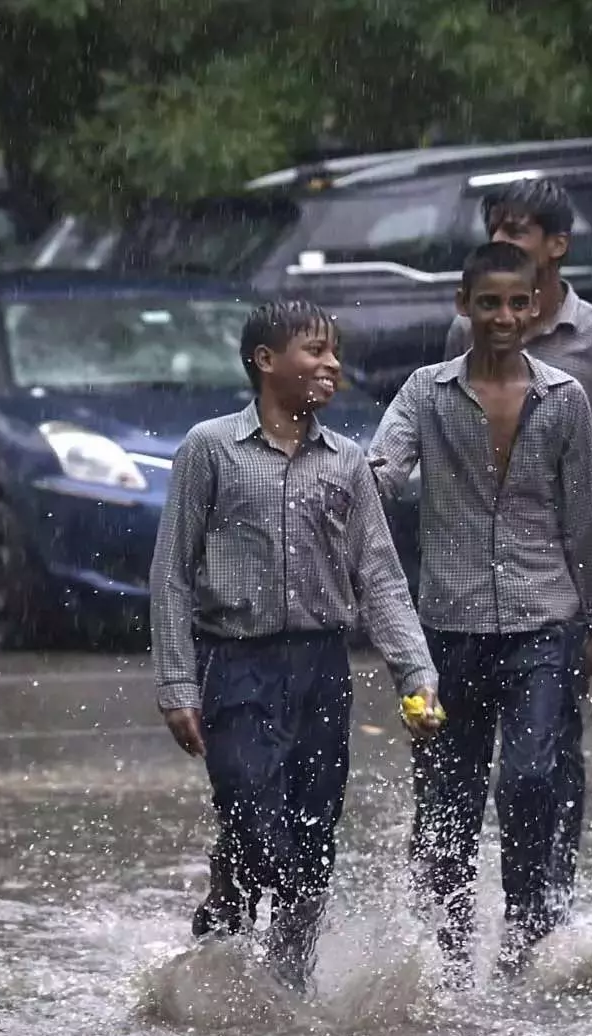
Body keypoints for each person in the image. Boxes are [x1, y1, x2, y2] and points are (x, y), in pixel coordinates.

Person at [149, 300, 438, 990]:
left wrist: (414, 675)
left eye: (333, 352)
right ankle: (225, 917)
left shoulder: (346, 466)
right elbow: (171, 573)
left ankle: (286, 992)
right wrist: (177, 684)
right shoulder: (210, 449)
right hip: (236, 664)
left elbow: (380, 576)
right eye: (314, 351)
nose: (330, 365)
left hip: (320, 670)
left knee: (313, 845)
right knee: (255, 819)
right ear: (265, 360)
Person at [368, 242, 592, 974]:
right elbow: (380, 472)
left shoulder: (563, 399)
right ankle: (445, 953)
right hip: (449, 624)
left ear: (535, 306)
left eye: (516, 303)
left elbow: (584, 521)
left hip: (544, 618)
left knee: (533, 777)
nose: (503, 317)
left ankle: (529, 933)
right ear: (462, 307)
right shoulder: (425, 392)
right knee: (449, 798)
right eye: (488, 303)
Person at [446, 178, 592, 927]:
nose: (508, 242)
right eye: (497, 228)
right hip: (473, 582)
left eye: (520, 230)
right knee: (457, 764)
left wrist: (579, 505)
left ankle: (543, 912)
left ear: (556, 244)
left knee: (545, 761)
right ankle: (446, 924)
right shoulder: (464, 339)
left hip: (565, 573)